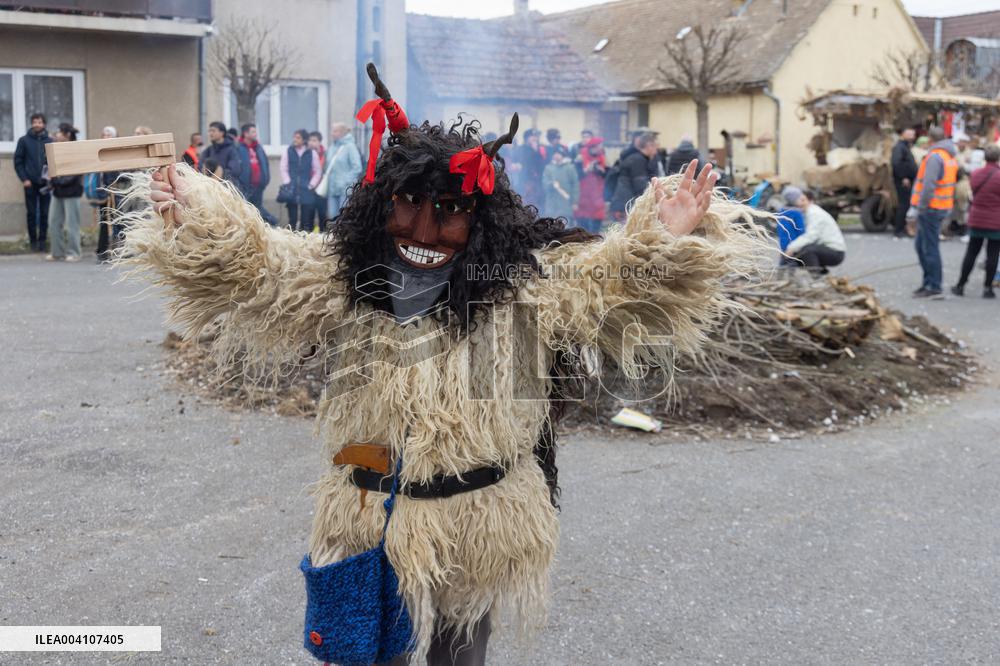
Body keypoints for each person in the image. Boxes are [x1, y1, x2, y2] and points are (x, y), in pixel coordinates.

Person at [121, 63, 763, 666]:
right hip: (367, 521)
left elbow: (615, 286)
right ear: (381, 204)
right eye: (407, 204)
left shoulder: (526, 291)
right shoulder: (341, 281)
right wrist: (196, 213)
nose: (425, 231)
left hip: (476, 527)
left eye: (451, 211)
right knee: (367, 653)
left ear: (481, 220)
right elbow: (256, 266)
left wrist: (665, 237)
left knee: (460, 655)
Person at [908, 126, 958, 298]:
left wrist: (919, 208)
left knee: (929, 248)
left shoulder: (935, 157)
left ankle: (934, 285)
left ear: (930, 140)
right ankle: (928, 282)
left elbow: (928, 186)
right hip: (940, 206)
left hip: (931, 208)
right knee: (922, 246)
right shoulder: (948, 156)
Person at [951, 144, 1000, 299]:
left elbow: (972, 190)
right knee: (992, 255)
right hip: (996, 221)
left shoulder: (976, 173)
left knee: (972, 252)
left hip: (977, 218)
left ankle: (960, 285)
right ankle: (987, 288)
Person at [13, 112, 53, 252]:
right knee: (31, 213)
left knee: (44, 213)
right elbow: (18, 162)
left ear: (44, 124)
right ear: (31, 123)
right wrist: (24, 179)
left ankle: (42, 241)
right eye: (35, 122)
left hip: (45, 183)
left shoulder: (50, 141)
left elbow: (52, 162)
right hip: (29, 183)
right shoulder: (23, 141)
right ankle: (33, 242)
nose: (37, 124)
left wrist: (50, 178)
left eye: (40, 122)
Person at [46, 123, 84, 262]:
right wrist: (52, 180)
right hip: (58, 191)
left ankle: (75, 252)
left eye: (60, 133)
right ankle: (57, 252)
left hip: (72, 191)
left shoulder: (76, 149)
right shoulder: (56, 148)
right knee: (53, 222)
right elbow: (51, 166)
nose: (57, 135)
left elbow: (75, 171)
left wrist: (58, 181)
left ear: (67, 135)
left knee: (72, 224)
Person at [784, 190, 846, 273]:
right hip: (826, 248)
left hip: (836, 252)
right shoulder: (809, 212)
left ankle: (816, 278)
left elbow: (810, 236)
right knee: (800, 252)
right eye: (799, 200)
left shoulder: (815, 214)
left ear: (811, 201)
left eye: (803, 200)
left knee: (807, 251)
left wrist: (791, 248)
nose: (800, 203)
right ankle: (823, 275)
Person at [280, 128, 320, 231]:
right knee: (292, 218)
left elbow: (317, 171)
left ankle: (305, 241)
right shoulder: (288, 151)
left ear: (304, 140)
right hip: (292, 189)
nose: (295, 140)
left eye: (298, 138)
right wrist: (287, 182)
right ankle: (291, 239)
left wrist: (311, 185)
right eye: (294, 137)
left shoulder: (312, 153)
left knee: (306, 219)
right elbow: (283, 168)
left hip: (306, 189)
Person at [323, 122, 363, 225]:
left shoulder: (350, 147)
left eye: (335, 131)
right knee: (332, 217)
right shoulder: (332, 147)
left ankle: (344, 239)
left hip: (345, 190)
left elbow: (357, 167)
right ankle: (333, 239)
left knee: (344, 217)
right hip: (332, 189)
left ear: (342, 133)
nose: (332, 133)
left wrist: (345, 181)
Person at [236, 123, 274, 225]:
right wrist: (240, 183)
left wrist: (265, 179)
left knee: (257, 210)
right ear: (245, 134)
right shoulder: (239, 148)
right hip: (245, 187)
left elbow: (265, 163)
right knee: (246, 212)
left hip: (259, 187)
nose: (255, 134)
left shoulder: (258, 147)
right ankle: (272, 221)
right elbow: (235, 168)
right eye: (253, 132)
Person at [611, 132, 657, 215]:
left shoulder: (637, 158)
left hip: (625, 203)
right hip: (626, 205)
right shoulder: (638, 160)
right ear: (649, 146)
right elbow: (641, 186)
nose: (656, 150)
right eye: (655, 146)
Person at [95, 126, 123, 262]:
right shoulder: (98, 152)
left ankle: (118, 251)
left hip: (115, 192)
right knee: (104, 222)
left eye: (109, 134)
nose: (106, 137)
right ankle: (103, 251)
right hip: (103, 192)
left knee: (118, 222)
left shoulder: (118, 153)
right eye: (104, 134)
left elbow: (120, 174)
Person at [573, 136, 606, 234]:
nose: (601, 148)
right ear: (593, 147)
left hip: (597, 195)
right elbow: (576, 176)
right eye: (599, 146)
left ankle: (595, 238)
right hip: (583, 195)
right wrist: (586, 170)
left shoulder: (602, 158)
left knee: (597, 220)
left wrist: (601, 171)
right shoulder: (580, 158)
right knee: (583, 222)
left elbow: (606, 175)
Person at [891, 128, 918, 238]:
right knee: (904, 205)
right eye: (909, 134)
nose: (912, 137)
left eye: (913, 134)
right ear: (903, 135)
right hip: (903, 181)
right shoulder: (899, 147)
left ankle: (902, 228)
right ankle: (899, 230)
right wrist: (904, 177)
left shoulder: (905, 147)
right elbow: (896, 163)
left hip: (908, 180)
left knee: (906, 205)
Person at [512, 128, 545, 209]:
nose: (534, 139)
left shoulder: (538, 149)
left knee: (535, 203)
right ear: (526, 138)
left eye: (535, 137)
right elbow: (514, 162)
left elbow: (541, 165)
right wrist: (516, 165)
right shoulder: (520, 148)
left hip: (536, 181)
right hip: (523, 180)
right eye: (532, 136)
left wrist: (535, 150)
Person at [542, 149, 579, 220]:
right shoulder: (548, 168)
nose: (556, 155)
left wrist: (575, 202)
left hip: (566, 203)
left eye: (558, 153)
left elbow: (575, 185)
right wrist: (551, 184)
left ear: (562, 155)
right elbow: (544, 183)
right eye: (554, 153)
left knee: (565, 224)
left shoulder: (570, 167)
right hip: (552, 203)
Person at [776, 186, 806, 263]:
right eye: (800, 198)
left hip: (783, 244)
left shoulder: (782, 211)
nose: (802, 200)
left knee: (783, 262)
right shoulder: (797, 213)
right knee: (792, 263)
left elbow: (778, 228)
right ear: (794, 200)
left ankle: (780, 274)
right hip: (794, 245)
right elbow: (801, 230)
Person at [308, 131, 327, 228]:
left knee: (322, 214)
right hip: (310, 188)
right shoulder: (307, 154)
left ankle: (322, 236)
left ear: (320, 142)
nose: (311, 142)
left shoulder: (326, 154)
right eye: (310, 140)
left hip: (322, 189)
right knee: (309, 214)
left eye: (314, 140)